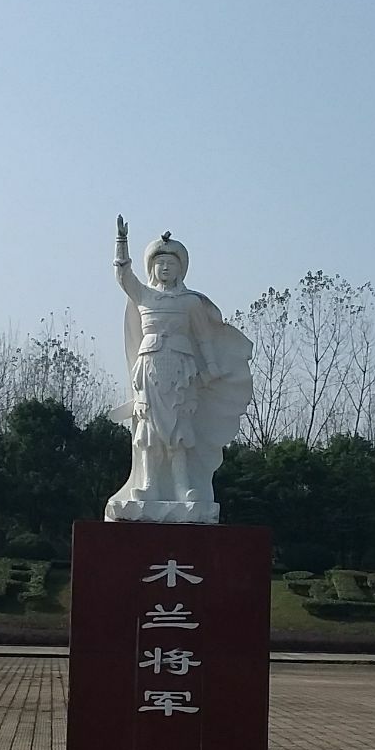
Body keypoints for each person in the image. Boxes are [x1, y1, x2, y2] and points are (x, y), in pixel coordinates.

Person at [106, 216, 252, 523]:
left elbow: (204, 336)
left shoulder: (190, 303)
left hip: (183, 371)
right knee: (148, 429)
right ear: (152, 268)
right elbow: (123, 277)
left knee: (180, 429)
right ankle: (149, 484)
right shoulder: (144, 296)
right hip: (149, 368)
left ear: (181, 268)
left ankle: (183, 486)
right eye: (160, 263)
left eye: (171, 263)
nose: (165, 268)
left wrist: (211, 367)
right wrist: (121, 243)